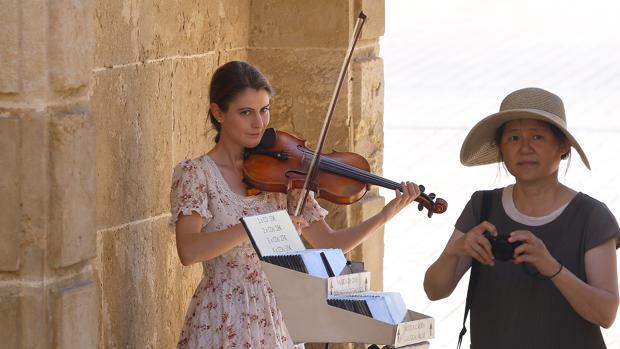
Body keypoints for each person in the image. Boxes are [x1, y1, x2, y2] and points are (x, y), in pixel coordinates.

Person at [169, 60, 421, 349]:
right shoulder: (195, 174)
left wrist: (385, 215)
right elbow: (189, 251)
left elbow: (329, 242)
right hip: (222, 316)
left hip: (277, 318)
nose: (259, 123)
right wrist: (258, 228)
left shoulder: (283, 176)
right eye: (245, 113)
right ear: (218, 112)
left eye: (264, 110)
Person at [423, 87, 620, 349]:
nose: (525, 148)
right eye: (514, 138)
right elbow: (434, 291)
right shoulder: (482, 206)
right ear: (501, 150)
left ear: (563, 146)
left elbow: (605, 314)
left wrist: (552, 267)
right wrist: (453, 252)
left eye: (537, 137)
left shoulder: (591, 216)